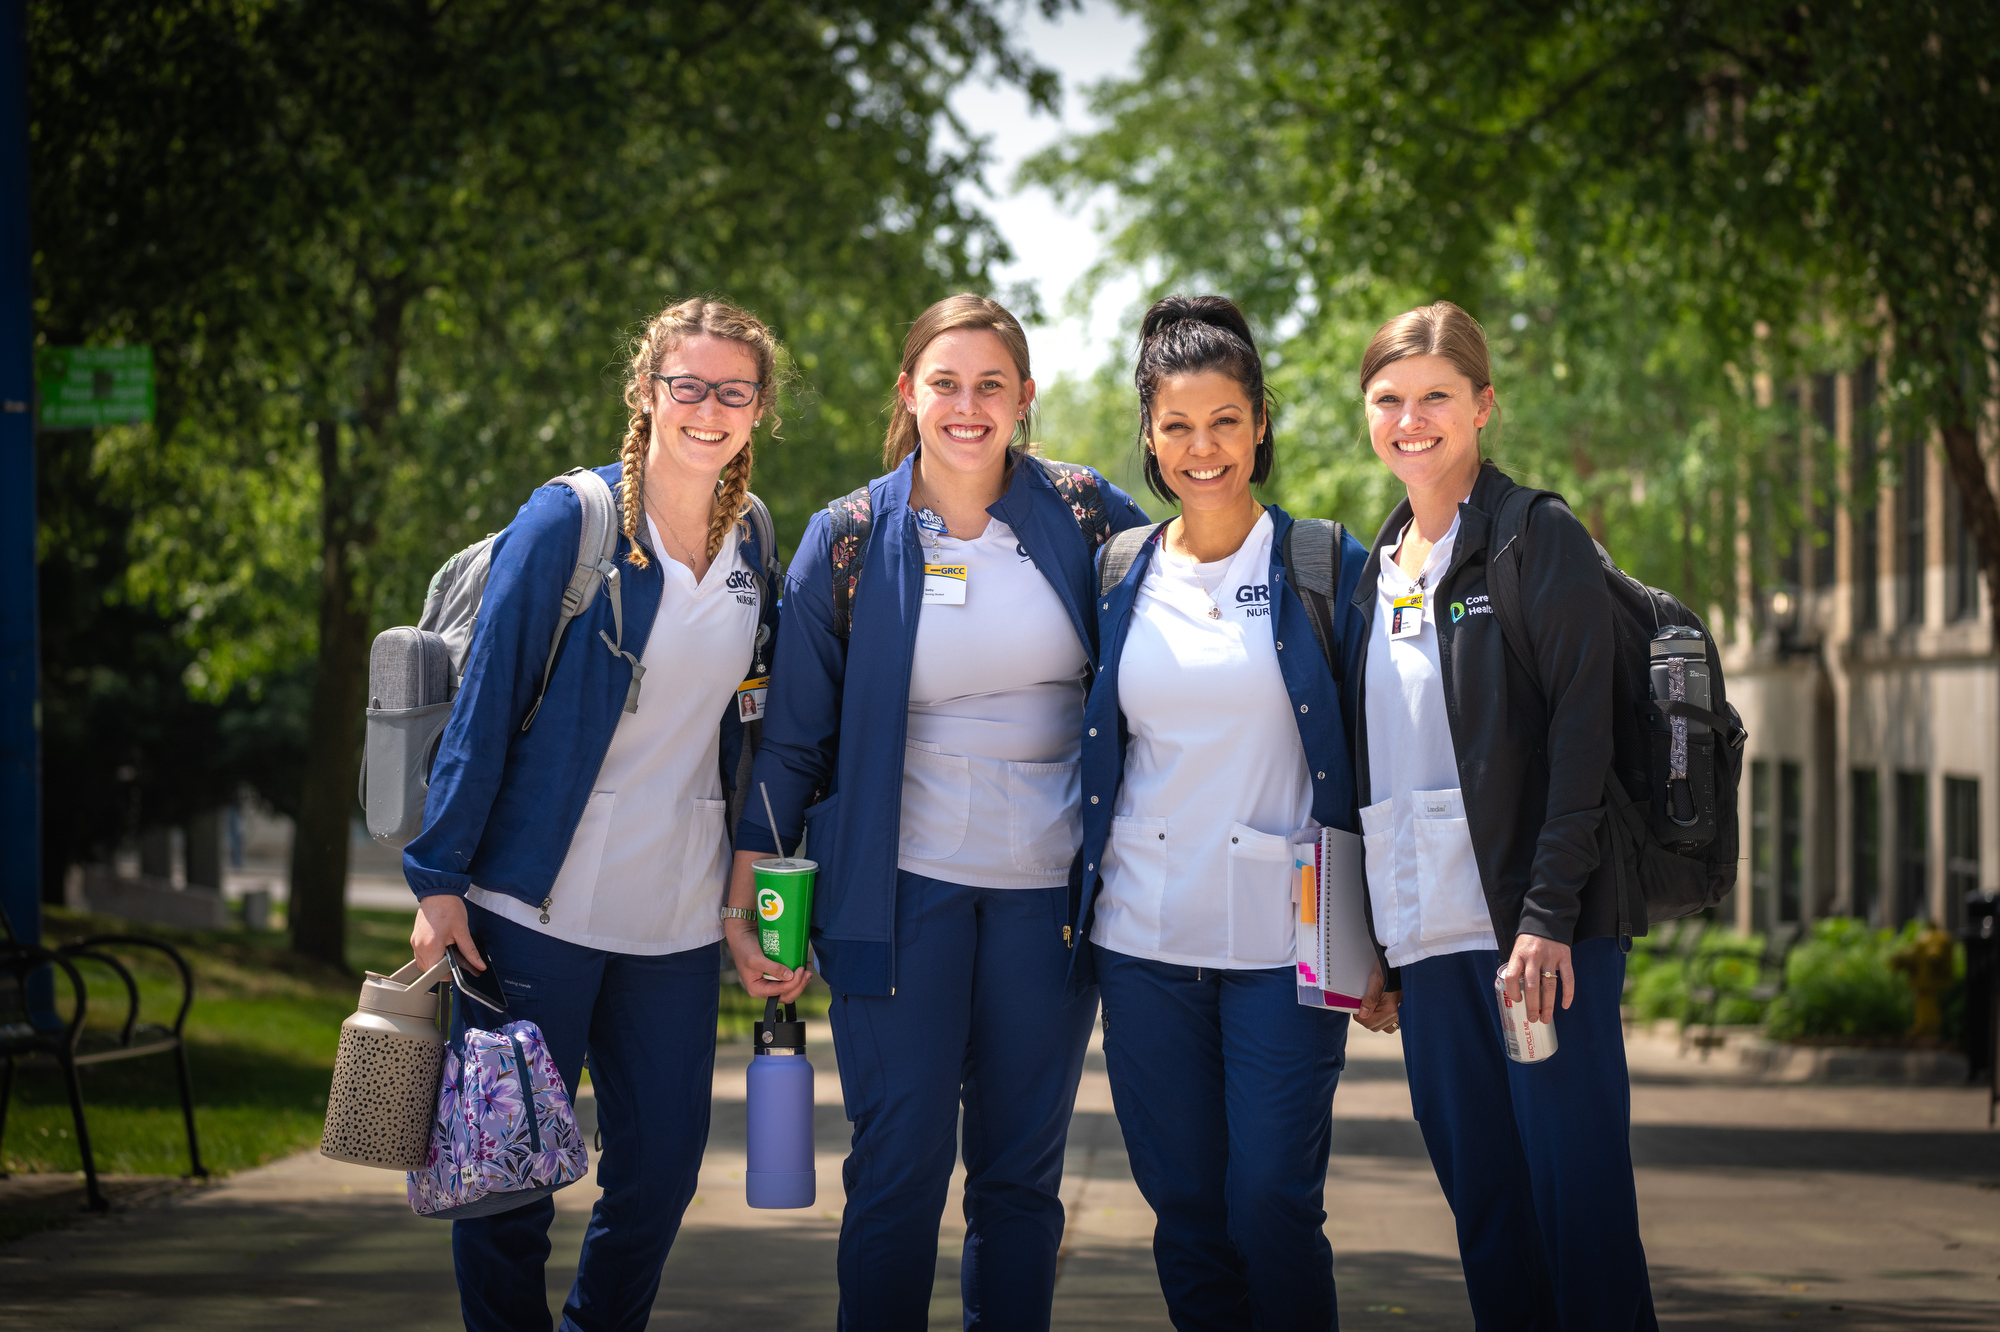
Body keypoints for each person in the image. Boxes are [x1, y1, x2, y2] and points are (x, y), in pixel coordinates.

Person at [727, 293, 1150, 1330]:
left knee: (1017, 1181)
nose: (967, 406)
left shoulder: (1090, 517)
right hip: (894, 896)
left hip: (1045, 903)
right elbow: (790, 741)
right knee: (896, 1168)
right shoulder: (847, 538)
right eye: (945, 383)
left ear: (1024, 399)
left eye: (989, 386)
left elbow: (1175, 643)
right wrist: (747, 901)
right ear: (908, 393)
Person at [403, 297, 786, 1332]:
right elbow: (487, 702)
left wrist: (748, 898)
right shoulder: (569, 521)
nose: (707, 408)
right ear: (646, 393)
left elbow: (744, 725)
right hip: (531, 905)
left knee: (658, 1176)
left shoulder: (751, 536)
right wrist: (438, 883)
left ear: (758, 411)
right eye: (687, 386)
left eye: (731, 391)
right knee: (506, 1178)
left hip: (670, 915)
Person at [1070, 295, 1393, 1331]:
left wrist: (1378, 933)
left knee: (1271, 1205)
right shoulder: (1119, 573)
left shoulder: (1321, 566)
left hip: (1288, 946)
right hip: (1144, 941)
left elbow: (1374, 752)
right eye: (1175, 427)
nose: (1200, 448)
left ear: (1259, 424)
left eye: (1222, 422)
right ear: (1149, 438)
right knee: (1189, 1214)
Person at [1350, 300, 1656, 1328]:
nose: (1410, 420)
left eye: (1434, 396)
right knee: (1484, 1214)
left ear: (1480, 405)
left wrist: (1545, 917)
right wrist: (1375, 947)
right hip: (1429, 944)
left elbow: (1583, 742)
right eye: (1387, 400)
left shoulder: (1538, 538)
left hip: (1534, 945)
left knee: (1579, 1218)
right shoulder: (1371, 570)